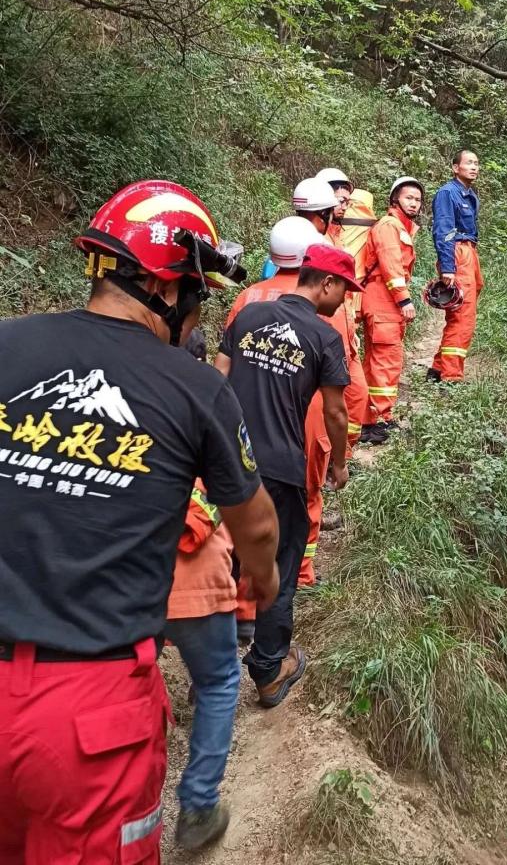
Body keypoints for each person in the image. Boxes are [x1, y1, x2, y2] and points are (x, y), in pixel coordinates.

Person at [0, 179, 280, 865]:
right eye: (198, 289)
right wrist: (262, 582)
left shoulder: (8, 345)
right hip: (87, 711)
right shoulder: (197, 389)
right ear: (169, 283)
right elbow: (259, 526)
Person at [215, 244, 363, 708]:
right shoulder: (323, 337)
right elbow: (336, 412)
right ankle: (268, 668)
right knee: (280, 565)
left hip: (225, 460)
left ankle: (211, 661)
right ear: (326, 283)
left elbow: (216, 382)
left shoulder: (246, 317)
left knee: (221, 558)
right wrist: (339, 464)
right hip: (279, 468)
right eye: (344, 289)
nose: (344, 300)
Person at [229, 219, 330, 634]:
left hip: (247, 415)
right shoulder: (318, 306)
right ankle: (294, 578)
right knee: (296, 509)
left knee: (241, 507)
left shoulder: (249, 298)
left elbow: (228, 355)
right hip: (305, 414)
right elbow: (340, 368)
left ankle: (237, 606)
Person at [164, 334, 238, 852]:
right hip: (198, 580)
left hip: (130, 580)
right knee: (218, 680)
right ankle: (197, 805)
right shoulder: (207, 403)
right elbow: (237, 501)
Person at [298, 175, 369, 454]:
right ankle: (332, 458)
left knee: (357, 394)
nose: (343, 208)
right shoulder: (310, 246)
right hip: (323, 336)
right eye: (338, 203)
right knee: (326, 403)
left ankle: (344, 453)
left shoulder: (336, 238)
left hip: (343, 332)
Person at [360, 176, 423, 445]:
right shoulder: (389, 226)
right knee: (385, 362)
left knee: (378, 362)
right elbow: (390, 265)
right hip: (383, 302)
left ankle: (371, 417)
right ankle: (377, 421)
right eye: (409, 198)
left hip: (385, 303)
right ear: (395, 199)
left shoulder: (400, 227)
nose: (414, 204)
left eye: (418, 200)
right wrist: (403, 298)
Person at [429, 149, 483, 383]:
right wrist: (448, 267)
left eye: (476, 163)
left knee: (465, 310)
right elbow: (444, 230)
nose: (474, 167)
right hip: (458, 253)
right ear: (455, 168)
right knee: (462, 316)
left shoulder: (469, 195)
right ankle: (451, 377)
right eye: (469, 163)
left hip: (470, 251)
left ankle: (438, 368)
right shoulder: (447, 193)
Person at [315, 167, 353, 248]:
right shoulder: (312, 235)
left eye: (347, 202)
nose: (345, 207)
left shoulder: (338, 232)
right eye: (341, 201)